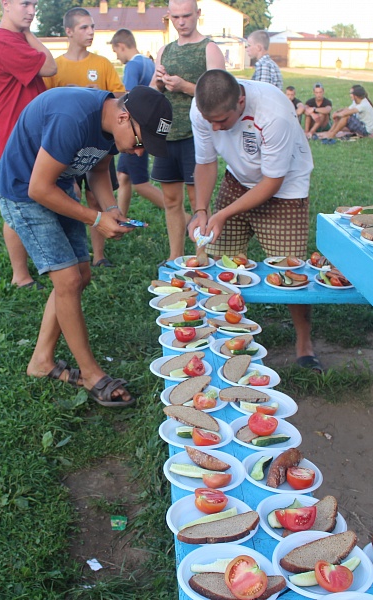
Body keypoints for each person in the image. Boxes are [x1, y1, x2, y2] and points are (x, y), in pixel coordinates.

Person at [0, 85, 172, 406]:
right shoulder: (72, 118)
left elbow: (99, 169)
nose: (139, 152)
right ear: (123, 117)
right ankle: (92, 375)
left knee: (80, 276)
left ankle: (42, 361)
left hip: (58, 185)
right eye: (141, 142)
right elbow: (38, 188)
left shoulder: (110, 124)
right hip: (25, 192)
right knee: (68, 280)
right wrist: (94, 219)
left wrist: (109, 209)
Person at [186, 70, 319, 371]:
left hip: (285, 188)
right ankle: (223, 331)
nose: (216, 127)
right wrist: (202, 210)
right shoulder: (202, 110)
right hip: (237, 178)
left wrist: (223, 213)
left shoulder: (274, 114)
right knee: (219, 262)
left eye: (222, 121)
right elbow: (205, 162)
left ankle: (303, 342)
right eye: (211, 122)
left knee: (290, 271)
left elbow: (272, 181)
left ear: (241, 101)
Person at [44, 7, 126, 268]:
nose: (90, 32)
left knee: (95, 196)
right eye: (84, 27)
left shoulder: (101, 63)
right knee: (69, 195)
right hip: (65, 146)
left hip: (98, 143)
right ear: (69, 31)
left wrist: (97, 94)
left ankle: (99, 255)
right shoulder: (55, 67)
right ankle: (73, 253)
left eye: (92, 27)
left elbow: (121, 99)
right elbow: (45, 105)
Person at [0, 0, 57, 290]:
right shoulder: (1, 39)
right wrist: (28, 33)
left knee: (38, 197)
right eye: (25, 3)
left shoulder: (17, 38)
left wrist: (26, 32)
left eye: (34, 5)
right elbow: (50, 65)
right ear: (5, 4)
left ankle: (45, 263)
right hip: (13, 135)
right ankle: (21, 275)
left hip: (30, 133)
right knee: (17, 205)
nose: (31, 10)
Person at [151, 0, 225, 263]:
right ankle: (175, 257)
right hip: (166, 134)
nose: (181, 22)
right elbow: (152, 93)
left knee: (198, 200)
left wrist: (184, 86)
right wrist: (158, 82)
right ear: (169, 16)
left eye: (186, 16)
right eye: (176, 17)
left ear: (198, 14)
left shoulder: (210, 49)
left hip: (197, 135)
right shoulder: (165, 50)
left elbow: (220, 95)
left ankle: (201, 256)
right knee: (171, 200)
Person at [110, 28, 165, 217]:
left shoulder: (132, 66)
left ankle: (184, 217)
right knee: (123, 177)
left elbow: (129, 99)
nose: (117, 57)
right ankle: (122, 219)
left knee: (141, 184)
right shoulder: (147, 63)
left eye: (116, 52)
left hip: (135, 131)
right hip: (147, 126)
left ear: (121, 46)